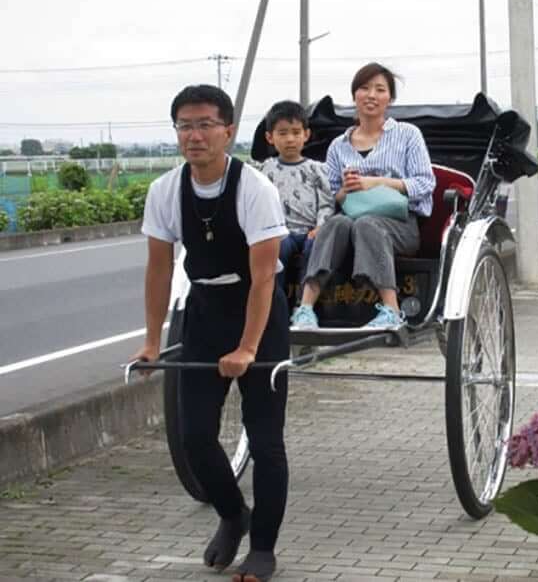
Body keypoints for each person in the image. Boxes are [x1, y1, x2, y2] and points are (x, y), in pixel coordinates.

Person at [133, 84, 289, 582]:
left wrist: (247, 347)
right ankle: (232, 514)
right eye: (184, 125)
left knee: (265, 441)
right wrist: (153, 341)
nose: (194, 135)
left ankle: (263, 548)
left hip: (258, 312)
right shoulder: (164, 191)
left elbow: (264, 276)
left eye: (204, 124)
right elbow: (159, 270)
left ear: (228, 130)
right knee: (194, 436)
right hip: (202, 311)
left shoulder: (254, 188)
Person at [291, 62, 436, 329]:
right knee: (336, 223)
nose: (371, 95)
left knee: (368, 223)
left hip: (400, 225)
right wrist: (345, 190)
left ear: (389, 99)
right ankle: (305, 309)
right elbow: (331, 194)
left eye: (380, 89)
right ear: (355, 95)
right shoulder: (338, 145)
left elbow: (425, 183)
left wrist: (378, 183)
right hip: (351, 220)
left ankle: (391, 310)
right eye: (364, 88)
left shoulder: (407, 135)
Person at [259, 100, 334, 298]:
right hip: (281, 232)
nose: (290, 139)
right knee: (277, 251)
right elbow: (261, 204)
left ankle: (305, 302)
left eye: (296, 132)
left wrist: (320, 227)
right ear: (270, 137)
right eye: (282, 133)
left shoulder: (317, 169)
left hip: (311, 230)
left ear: (306, 135)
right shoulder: (267, 170)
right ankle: (276, 301)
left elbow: (327, 203)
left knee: (316, 249)